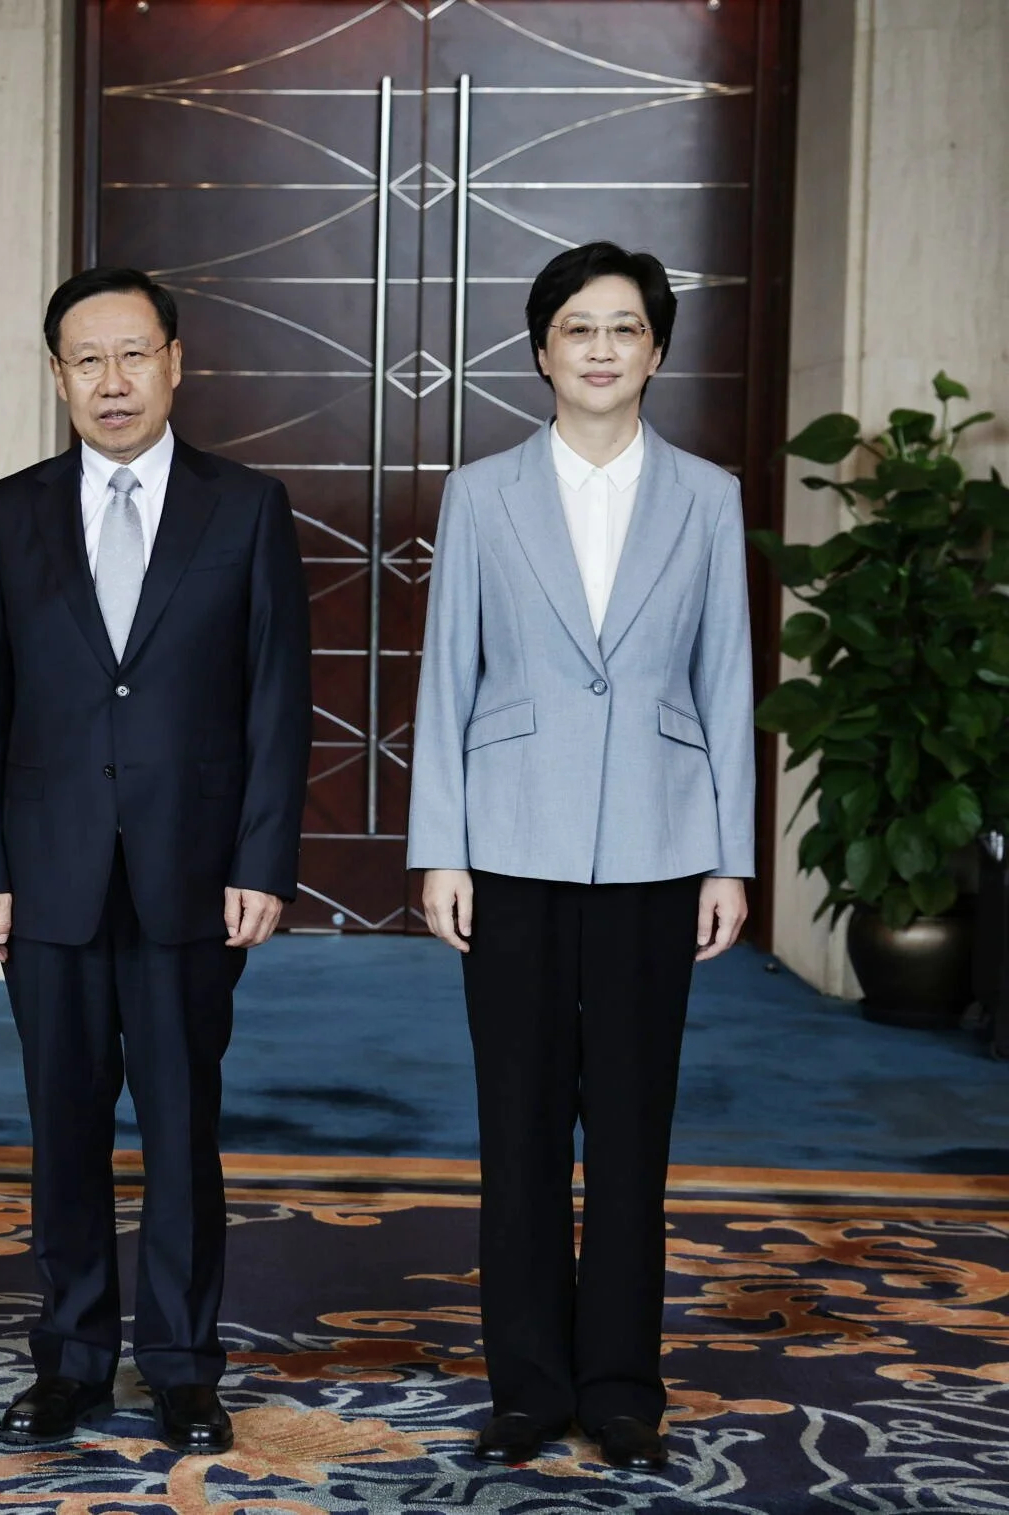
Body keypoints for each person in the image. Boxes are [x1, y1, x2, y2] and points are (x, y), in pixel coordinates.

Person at [0, 267, 311, 1453]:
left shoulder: (245, 508)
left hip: (192, 875)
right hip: (44, 873)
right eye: (84, 360)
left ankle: (183, 1365)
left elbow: (275, 702)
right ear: (57, 376)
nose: (110, 380)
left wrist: (262, 862)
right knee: (60, 1128)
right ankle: (71, 1356)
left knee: (179, 1125)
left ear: (175, 362)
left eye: (131, 354)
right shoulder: (8, 511)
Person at [407, 241, 756, 1471]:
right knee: (515, 1132)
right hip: (506, 844)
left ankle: (619, 1387)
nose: (601, 348)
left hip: (661, 848)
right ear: (541, 350)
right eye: (576, 329)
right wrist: (436, 847)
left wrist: (729, 857)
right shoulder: (481, 492)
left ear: (656, 352)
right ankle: (523, 1386)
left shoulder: (706, 497)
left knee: (630, 1136)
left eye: (624, 329)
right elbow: (447, 671)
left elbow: (725, 682)